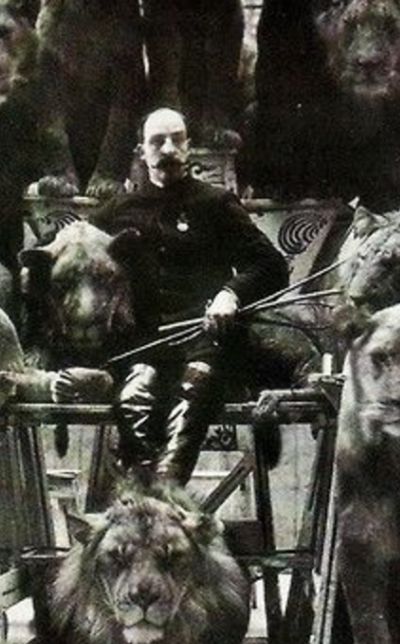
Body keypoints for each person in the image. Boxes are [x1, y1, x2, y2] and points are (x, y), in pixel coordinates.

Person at [91, 107, 289, 484]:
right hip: (144, 344)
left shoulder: (215, 203)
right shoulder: (117, 211)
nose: (167, 149)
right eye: (157, 141)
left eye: (176, 139)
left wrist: (230, 294)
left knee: (190, 398)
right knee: (134, 397)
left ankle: (167, 497)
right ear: (141, 151)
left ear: (189, 147)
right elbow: (76, 252)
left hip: (206, 342)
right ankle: (142, 499)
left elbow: (271, 265)